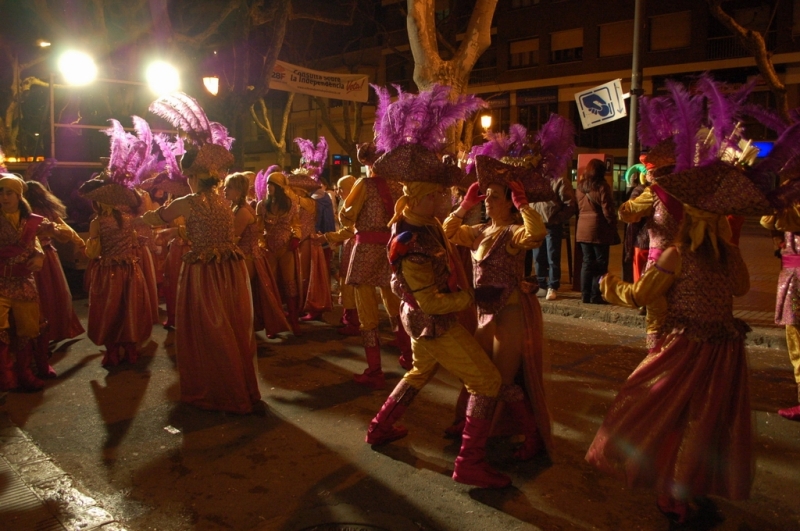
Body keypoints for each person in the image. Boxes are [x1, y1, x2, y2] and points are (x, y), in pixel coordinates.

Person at [587, 158, 767, 524]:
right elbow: (742, 287)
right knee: (704, 419)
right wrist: (731, 245)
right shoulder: (723, 254)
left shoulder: (676, 255)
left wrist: (609, 286)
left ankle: (674, 490)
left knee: (661, 410)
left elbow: (639, 294)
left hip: (684, 349)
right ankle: (685, 484)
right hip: (723, 351)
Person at [364, 83, 510, 489]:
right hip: (433, 322)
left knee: (418, 373)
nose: (447, 198)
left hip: (421, 322)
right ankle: (470, 462)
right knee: (487, 382)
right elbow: (429, 298)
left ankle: (379, 428)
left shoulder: (420, 222)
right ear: (426, 197)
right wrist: (473, 297)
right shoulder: (413, 236)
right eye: (442, 194)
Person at [145, 92, 261, 414]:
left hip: (205, 273)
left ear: (194, 175)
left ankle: (220, 390)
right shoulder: (225, 202)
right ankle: (240, 387)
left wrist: (139, 216)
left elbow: (159, 218)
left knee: (209, 330)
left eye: (189, 176)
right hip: (230, 270)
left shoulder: (189, 202)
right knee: (233, 329)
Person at [443, 157, 553, 461]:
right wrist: (464, 206)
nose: (487, 201)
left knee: (503, 381)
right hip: (484, 315)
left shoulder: (513, 232)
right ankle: (471, 425)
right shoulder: (479, 231)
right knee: (476, 375)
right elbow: (448, 231)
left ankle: (532, 437)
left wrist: (524, 206)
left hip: (510, 314)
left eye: (494, 197)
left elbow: (538, 234)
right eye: (485, 196)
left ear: (508, 202)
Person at [319, 142, 410, 389]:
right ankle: (408, 356)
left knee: (367, 312)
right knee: (394, 303)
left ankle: (375, 369)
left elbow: (347, 215)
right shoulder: (399, 187)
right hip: (390, 250)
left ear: (369, 163)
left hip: (366, 251)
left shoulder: (365, 184)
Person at [81, 178, 153, 367]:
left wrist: (89, 246)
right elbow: (135, 243)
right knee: (129, 308)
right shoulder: (128, 220)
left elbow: (92, 252)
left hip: (108, 272)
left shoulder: (97, 223)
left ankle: (112, 351)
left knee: (109, 310)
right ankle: (131, 350)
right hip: (130, 269)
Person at [617, 146, 683, 347]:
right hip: (688, 264)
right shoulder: (689, 191)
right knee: (682, 316)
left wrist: (626, 205)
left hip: (659, 264)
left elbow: (627, 213)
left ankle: (655, 360)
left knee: (656, 316)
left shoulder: (654, 192)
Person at [24, 180, 85, 378]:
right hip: (41, 258)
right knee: (49, 297)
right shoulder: (36, 210)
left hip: (39, 258)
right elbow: (67, 231)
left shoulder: (36, 211)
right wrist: (80, 243)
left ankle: (37, 343)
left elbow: (64, 230)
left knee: (43, 299)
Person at [223, 173, 290, 338]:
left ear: (238, 191)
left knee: (242, 296)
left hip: (248, 257)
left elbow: (231, 239)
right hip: (245, 256)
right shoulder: (236, 208)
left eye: (229, 187)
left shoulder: (243, 212)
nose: (224, 190)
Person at [0, 174, 50, 392]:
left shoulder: (30, 221)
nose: (3, 197)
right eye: (0, 192)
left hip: (24, 282)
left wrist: (39, 255)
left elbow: (34, 241)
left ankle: (25, 373)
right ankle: (6, 376)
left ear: (19, 195)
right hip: (0, 282)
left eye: (8, 192)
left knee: (27, 331)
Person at [761, 205, 800, 421]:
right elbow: (767, 221)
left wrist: (780, 206)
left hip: (796, 276)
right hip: (792, 270)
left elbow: (770, 220)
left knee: (796, 336)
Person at [259, 171, 303, 336]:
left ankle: (294, 320)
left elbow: (297, 225)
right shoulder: (262, 205)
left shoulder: (291, 205)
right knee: (271, 286)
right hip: (269, 250)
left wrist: (296, 237)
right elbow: (258, 230)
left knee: (290, 284)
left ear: (279, 188)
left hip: (286, 250)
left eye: (272, 185)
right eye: (268, 184)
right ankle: (273, 323)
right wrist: (262, 244)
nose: (268, 188)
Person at [575, 159, 617, 304]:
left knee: (587, 262)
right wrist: (613, 222)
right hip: (599, 229)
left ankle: (584, 295)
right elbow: (608, 209)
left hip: (582, 229)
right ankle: (595, 295)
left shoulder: (580, 187)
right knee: (600, 263)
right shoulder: (602, 186)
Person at [531, 174, 576, 301]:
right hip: (537, 224)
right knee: (538, 256)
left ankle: (553, 285)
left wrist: (558, 219)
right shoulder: (535, 180)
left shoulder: (559, 180)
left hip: (552, 225)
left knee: (553, 256)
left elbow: (570, 204)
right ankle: (541, 284)